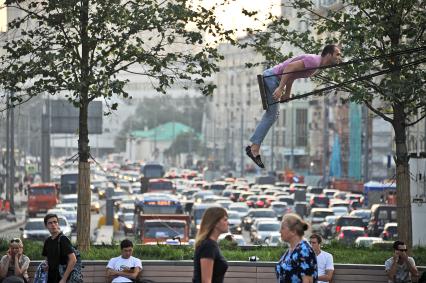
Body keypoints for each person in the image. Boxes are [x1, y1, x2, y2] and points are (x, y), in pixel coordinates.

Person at [246, 44, 342, 168]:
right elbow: (289, 68)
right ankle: (254, 149)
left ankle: (254, 147)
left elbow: (293, 74)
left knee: (273, 115)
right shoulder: (314, 61)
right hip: (272, 78)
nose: (340, 56)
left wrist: (287, 92)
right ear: (329, 54)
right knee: (272, 115)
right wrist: (281, 88)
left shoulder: (317, 65)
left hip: (274, 78)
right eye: (337, 54)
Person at [276, 213, 317, 283]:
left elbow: (308, 281)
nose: (280, 231)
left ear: (293, 231)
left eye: (282, 228)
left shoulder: (304, 251)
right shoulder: (292, 249)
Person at [193, 207, 229, 283]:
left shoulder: (211, 244)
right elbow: (206, 281)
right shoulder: (208, 246)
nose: (228, 223)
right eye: (225, 220)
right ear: (215, 223)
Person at [42, 214, 77, 283]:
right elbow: (47, 258)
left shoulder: (63, 239)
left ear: (58, 224)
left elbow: (73, 259)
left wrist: (64, 279)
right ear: (46, 226)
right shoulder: (47, 241)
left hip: (61, 277)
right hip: (51, 277)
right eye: (50, 223)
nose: (53, 225)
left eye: (55, 222)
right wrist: (46, 265)